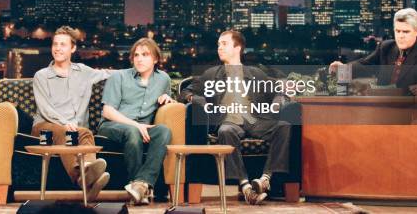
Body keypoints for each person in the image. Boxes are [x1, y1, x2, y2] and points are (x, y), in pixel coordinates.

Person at [182, 30, 291, 205]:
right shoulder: (211, 75)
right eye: (218, 44)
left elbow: (277, 92)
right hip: (229, 121)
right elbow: (186, 90)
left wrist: (279, 101)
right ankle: (246, 186)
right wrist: (197, 100)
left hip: (255, 120)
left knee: (284, 126)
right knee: (225, 130)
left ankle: (265, 180)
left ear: (237, 47)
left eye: (224, 44)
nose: (219, 48)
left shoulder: (256, 74)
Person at [32, 26, 111, 200]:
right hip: (44, 128)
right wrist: (63, 122)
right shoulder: (42, 76)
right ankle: (81, 178)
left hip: (75, 129)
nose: (58, 48)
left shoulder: (84, 72)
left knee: (85, 132)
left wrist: (138, 73)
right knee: (66, 132)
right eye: (55, 44)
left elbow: (109, 74)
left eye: (63, 44)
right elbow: (45, 108)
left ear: (73, 48)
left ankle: (88, 174)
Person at [99, 38, 173, 205]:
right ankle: (138, 184)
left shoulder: (163, 80)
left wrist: (168, 98)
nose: (139, 59)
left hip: (143, 128)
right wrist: (136, 125)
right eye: (136, 55)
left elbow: (167, 104)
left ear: (155, 59)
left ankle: (140, 184)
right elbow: (107, 111)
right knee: (133, 132)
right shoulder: (119, 77)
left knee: (164, 131)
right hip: (112, 126)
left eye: (145, 55)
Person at [330, 8, 417, 96]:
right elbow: (364, 65)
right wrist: (343, 68)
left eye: (406, 32)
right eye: (397, 31)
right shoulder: (386, 47)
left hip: (411, 109)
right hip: (382, 105)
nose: (400, 36)